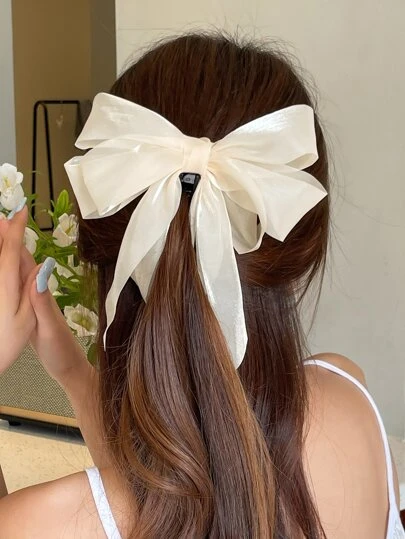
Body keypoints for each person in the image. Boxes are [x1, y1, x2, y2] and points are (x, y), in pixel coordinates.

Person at [0, 33, 402, 539]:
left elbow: (144, 499)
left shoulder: (36, 524)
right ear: (300, 245)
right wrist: (76, 376)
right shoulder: (353, 406)